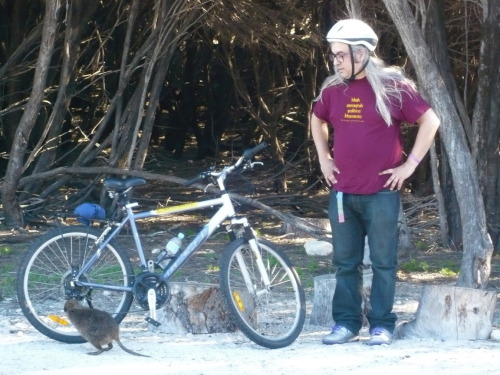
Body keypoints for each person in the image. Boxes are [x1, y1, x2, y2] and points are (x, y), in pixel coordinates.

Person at [310, 19, 440, 346]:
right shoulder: (333, 89)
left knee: (383, 263)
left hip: (382, 193)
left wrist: (409, 165)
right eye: (334, 55)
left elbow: (430, 120)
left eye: (341, 55)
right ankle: (346, 324)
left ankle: (381, 325)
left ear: (361, 53)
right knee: (345, 263)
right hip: (342, 193)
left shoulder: (393, 87)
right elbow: (316, 118)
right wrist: (324, 157)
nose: (335, 61)